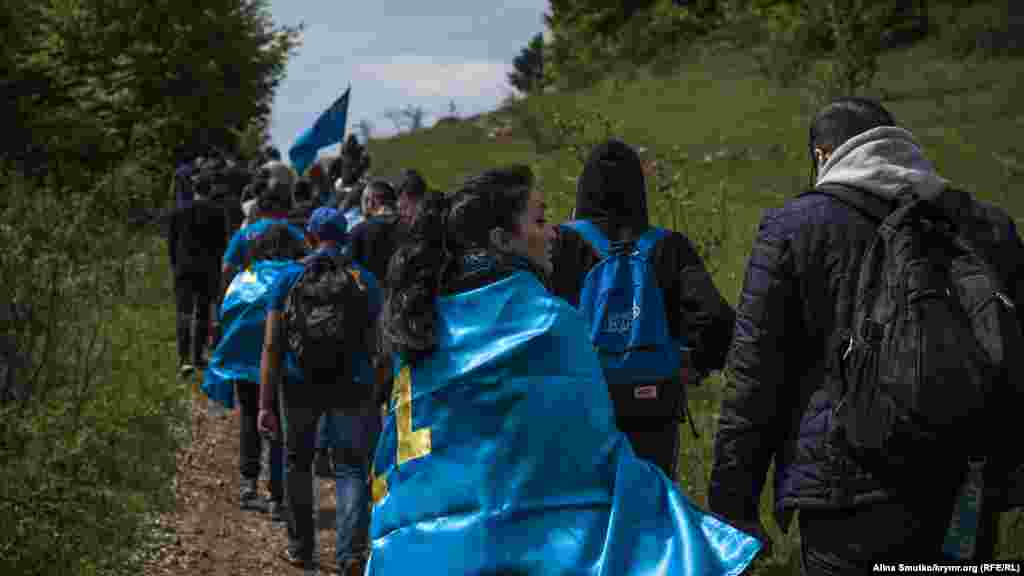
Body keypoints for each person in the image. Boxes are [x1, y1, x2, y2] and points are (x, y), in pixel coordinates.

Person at [365, 166, 761, 575]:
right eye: (539, 220)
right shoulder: (547, 321)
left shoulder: (419, 323)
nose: (554, 231)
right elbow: (593, 461)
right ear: (503, 241)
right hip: (519, 549)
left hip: (415, 551)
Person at [708, 97, 1024, 573]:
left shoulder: (793, 227)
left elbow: (754, 379)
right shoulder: (985, 224)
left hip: (845, 491)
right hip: (964, 484)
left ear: (821, 155)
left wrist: (733, 506)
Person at [549, 139, 736, 479]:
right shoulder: (669, 247)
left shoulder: (560, 244)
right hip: (653, 413)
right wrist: (693, 363)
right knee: (651, 516)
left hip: (577, 410)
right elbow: (719, 321)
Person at [258, 207, 382, 573]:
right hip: (352, 384)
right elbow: (380, 342)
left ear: (310, 236)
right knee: (350, 469)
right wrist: (377, 387)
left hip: (298, 383)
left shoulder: (288, 279)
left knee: (298, 463)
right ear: (344, 236)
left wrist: (265, 402)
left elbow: (271, 345)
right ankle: (350, 555)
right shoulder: (364, 280)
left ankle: (301, 549)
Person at [203, 223, 306, 520]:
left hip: (246, 365)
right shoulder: (298, 277)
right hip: (285, 365)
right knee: (280, 425)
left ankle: (248, 485)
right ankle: (277, 496)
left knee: (250, 417)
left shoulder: (243, 279)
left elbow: (227, 314)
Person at [168, 177, 229, 377]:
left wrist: (174, 264)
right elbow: (222, 244)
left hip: (184, 268)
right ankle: (198, 357)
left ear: (194, 189)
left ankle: (183, 360)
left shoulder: (179, 211)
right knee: (202, 312)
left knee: (184, 312)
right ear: (209, 189)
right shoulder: (218, 212)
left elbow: (172, 242)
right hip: (208, 268)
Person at [222, 170, 304, 295]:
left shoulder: (242, 234)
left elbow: (227, 270)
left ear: (259, 209)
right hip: (282, 293)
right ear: (280, 206)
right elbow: (307, 260)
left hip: (251, 293)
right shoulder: (292, 231)